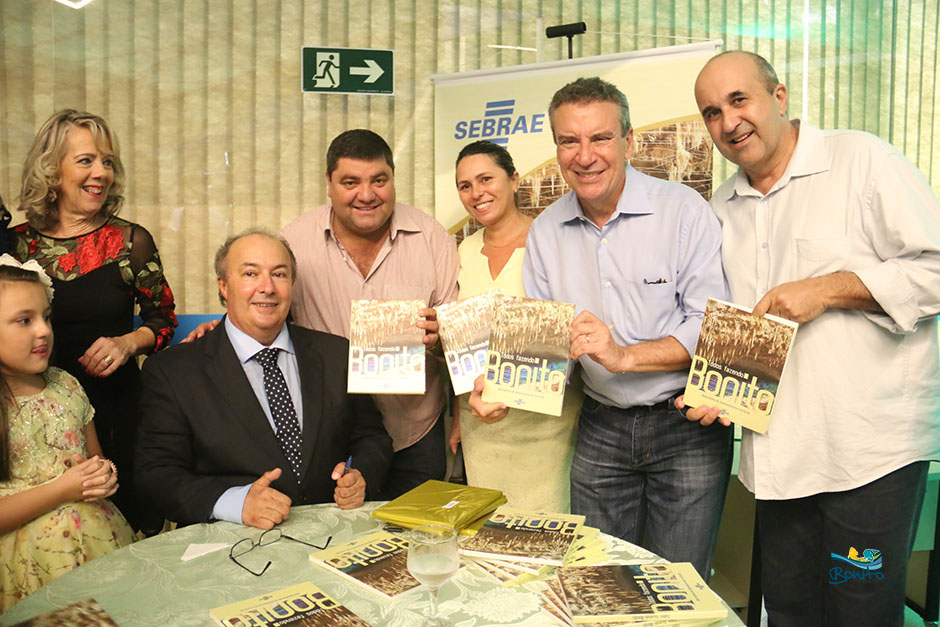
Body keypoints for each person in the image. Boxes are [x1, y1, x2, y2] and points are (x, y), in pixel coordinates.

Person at [690, 50, 940, 626]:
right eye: (711, 112)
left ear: (779, 97)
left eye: (739, 100)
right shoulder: (720, 207)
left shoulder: (861, 160)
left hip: (869, 452)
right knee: (791, 610)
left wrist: (830, 289)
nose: (728, 122)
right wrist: (715, 390)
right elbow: (733, 324)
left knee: (861, 611)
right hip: (782, 452)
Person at [474, 77, 732, 579]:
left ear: (629, 141)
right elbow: (550, 342)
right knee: (599, 582)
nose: (584, 155)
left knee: (676, 586)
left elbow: (709, 324)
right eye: (569, 141)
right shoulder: (547, 230)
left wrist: (625, 356)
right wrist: (508, 385)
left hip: (685, 428)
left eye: (600, 138)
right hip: (600, 429)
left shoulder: (683, 212)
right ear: (556, 148)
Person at [135, 230, 392, 529]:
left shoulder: (337, 354)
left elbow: (372, 438)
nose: (267, 287)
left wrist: (360, 474)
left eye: (279, 274)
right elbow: (154, 475)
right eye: (250, 273)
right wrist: (234, 502)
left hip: (331, 533)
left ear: (292, 284)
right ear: (224, 286)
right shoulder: (173, 372)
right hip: (230, 545)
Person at [10, 110, 177, 535]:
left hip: (118, 411)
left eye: (106, 161)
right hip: (34, 422)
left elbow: (162, 320)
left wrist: (128, 343)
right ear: (53, 170)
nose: (100, 172)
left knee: (125, 532)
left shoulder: (131, 241)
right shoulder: (17, 245)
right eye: (86, 160)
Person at [279, 129, 459, 499]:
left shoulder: (431, 237)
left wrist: (444, 336)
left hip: (415, 434)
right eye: (350, 182)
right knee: (330, 547)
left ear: (393, 179)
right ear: (328, 183)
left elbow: (461, 337)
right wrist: (226, 329)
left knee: (417, 544)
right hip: (328, 438)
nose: (366, 194)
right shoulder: (294, 241)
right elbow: (268, 312)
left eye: (379, 180)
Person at [449, 140, 581, 512]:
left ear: (514, 180)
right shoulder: (461, 253)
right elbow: (459, 344)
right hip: (483, 427)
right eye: (465, 185)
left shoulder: (554, 242)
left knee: (546, 537)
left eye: (486, 179)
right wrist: (459, 417)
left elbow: (573, 327)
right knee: (491, 538)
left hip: (546, 432)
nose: (477, 193)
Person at [0, 255, 135, 611]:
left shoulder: (67, 385)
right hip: (25, 568)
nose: (43, 330)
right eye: (24, 321)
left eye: (46, 316)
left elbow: (97, 459)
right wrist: (62, 489)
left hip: (97, 545)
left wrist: (103, 476)